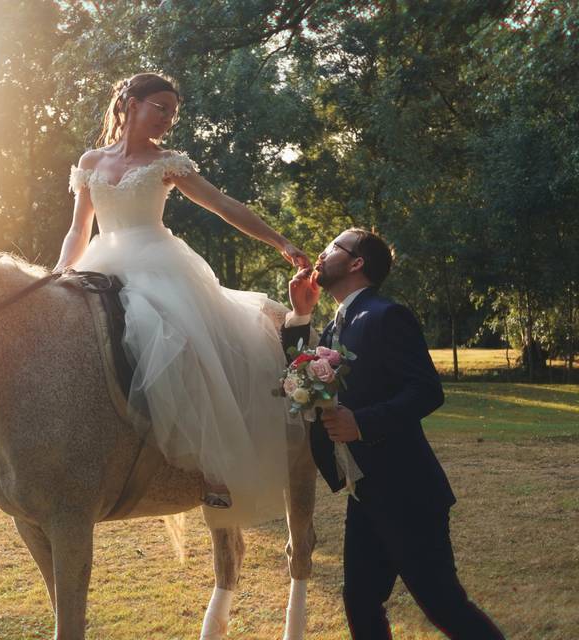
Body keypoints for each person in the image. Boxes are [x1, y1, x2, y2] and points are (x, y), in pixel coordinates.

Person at [54, 72, 309, 526]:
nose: (168, 120)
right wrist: (59, 274)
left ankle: (211, 470)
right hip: (101, 260)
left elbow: (222, 204)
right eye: (161, 108)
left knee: (172, 335)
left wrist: (280, 241)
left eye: (173, 113)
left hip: (157, 265)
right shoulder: (91, 160)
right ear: (131, 104)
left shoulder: (168, 162)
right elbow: (79, 228)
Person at [282, 228, 505, 639]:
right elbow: (300, 375)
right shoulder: (334, 328)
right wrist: (300, 315)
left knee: (443, 605)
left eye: (333, 246)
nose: (321, 252)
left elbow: (426, 390)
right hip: (364, 490)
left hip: (408, 493)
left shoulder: (386, 315)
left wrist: (362, 423)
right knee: (360, 602)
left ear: (356, 262)